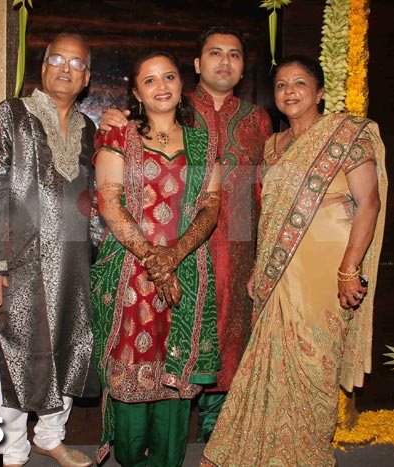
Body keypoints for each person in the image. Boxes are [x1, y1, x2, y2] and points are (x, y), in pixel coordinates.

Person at [201, 54, 388, 467]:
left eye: (300, 83)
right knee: (270, 361)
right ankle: (264, 450)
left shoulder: (346, 133)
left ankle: (305, 453)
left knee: (314, 362)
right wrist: (256, 268)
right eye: (282, 84)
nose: (289, 91)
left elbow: (369, 204)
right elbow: (268, 214)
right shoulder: (272, 145)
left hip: (327, 264)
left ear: (319, 92)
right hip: (277, 268)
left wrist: (348, 270)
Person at [99, 26, 272, 441]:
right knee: (152, 340)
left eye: (234, 54)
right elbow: (113, 192)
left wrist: (256, 254)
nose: (225, 62)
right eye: (215, 53)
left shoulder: (257, 119)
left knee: (227, 337)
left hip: (233, 246)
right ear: (196, 65)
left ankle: (218, 432)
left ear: (244, 67)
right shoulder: (174, 106)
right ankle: (145, 436)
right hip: (161, 249)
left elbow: (260, 188)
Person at [0, 33, 99, 467]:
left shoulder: (89, 130)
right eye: (57, 59)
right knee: (16, 350)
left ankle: (50, 436)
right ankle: (11, 449)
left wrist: (97, 249)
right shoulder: (10, 116)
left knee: (68, 345)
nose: (66, 68)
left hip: (75, 265)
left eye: (76, 63)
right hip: (19, 264)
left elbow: (96, 196)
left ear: (86, 77)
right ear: (42, 67)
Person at [91, 49, 221, 467]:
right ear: (136, 91)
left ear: (182, 85)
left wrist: (175, 255)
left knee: (176, 369)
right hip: (131, 273)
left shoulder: (204, 139)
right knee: (131, 369)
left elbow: (212, 204)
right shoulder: (119, 135)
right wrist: (153, 259)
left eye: (169, 77)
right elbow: (110, 203)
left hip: (189, 268)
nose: (161, 86)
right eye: (150, 80)